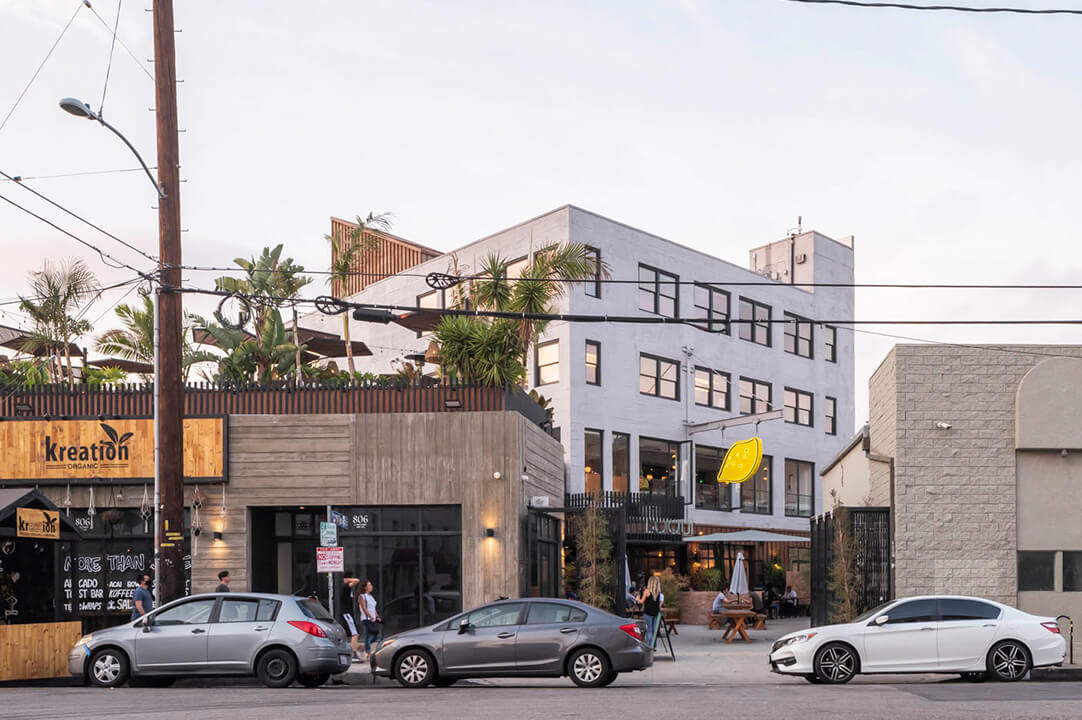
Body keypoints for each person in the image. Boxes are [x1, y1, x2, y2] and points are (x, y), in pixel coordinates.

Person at [358, 579, 382, 661]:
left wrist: (377, 616)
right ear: (365, 587)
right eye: (369, 585)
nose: (371, 587)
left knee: (377, 636)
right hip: (367, 619)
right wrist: (370, 617)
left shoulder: (371, 597)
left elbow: (373, 608)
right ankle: (368, 654)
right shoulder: (362, 596)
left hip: (373, 619)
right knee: (369, 636)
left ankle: (363, 647)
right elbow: (364, 608)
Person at [636, 575, 663, 648]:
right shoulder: (659, 593)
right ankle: (654, 646)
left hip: (648, 613)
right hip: (656, 613)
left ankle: (649, 647)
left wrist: (637, 599)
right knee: (654, 631)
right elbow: (659, 604)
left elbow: (641, 602)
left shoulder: (647, 591)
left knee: (649, 630)